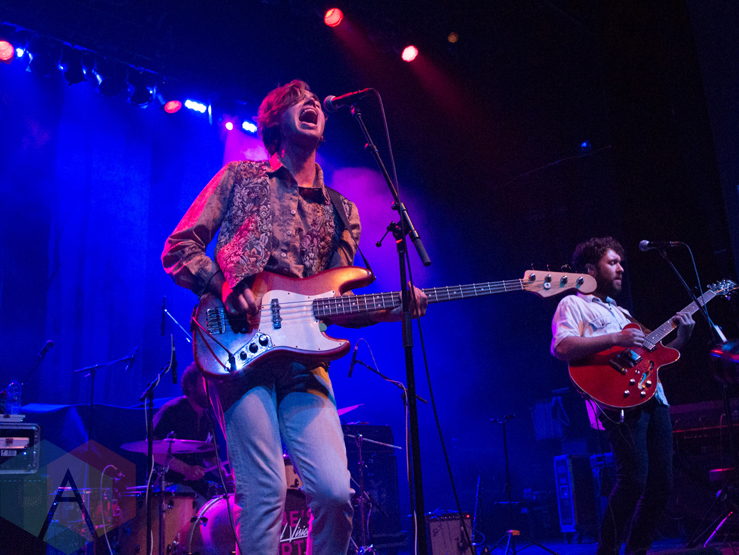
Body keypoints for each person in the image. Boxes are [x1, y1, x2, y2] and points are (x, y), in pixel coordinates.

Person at [161, 80, 427, 554]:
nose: (310, 103)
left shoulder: (342, 211)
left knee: (335, 493)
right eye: (295, 100)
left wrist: (393, 308)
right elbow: (179, 247)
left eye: (313, 100)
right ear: (273, 122)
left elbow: (335, 303)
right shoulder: (241, 178)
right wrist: (223, 284)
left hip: (306, 364)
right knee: (264, 493)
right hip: (240, 352)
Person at [550, 237, 694, 555]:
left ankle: (636, 550)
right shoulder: (573, 304)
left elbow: (653, 359)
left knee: (662, 485)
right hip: (618, 402)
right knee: (633, 480)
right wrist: (616, 337)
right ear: (590, 269)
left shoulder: (622, 312)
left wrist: (682, 337)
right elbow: (562, 346)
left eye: (620, 262)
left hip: (654, 397)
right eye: (612, 262)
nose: (621, 268)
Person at [152, 362, 217, 498]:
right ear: (190, 385)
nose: (209, 387)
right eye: (204, 382)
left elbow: (210, 457)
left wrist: (225, 474)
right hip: (170, 490)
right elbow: (152, 449)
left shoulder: (208, 418)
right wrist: (185, 469)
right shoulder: (172, 411)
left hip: (197, 489)